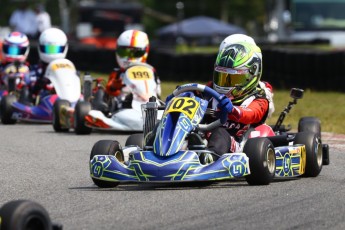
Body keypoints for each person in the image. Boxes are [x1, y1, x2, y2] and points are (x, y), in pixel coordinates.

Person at [205, 41, 270, 157]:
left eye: (234, 79)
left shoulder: (259, 98)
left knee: (220, 133)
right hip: (204, 135)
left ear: (251, 76)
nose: (225, 84)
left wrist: (233, 110)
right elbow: (193, 95)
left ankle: (210, 157)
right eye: (221, 77)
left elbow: (252, 113)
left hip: (237, 143)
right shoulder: (210, 90)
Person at [105, 29, 161, 109]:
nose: (128, 58)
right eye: (124, 52)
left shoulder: (152, 72)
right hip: (124, 107)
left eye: (135, 52)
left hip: (151, 106)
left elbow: (158, 94)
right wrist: (114, 87)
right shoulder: (117, 73)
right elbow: (109, 92)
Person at [30, 27, 68, 100]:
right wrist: (39, 84)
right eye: (49, 49)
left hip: (64, 102)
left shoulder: (68, 70)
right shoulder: (34, 71)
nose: (52, 53)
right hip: (42, 104)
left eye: (55, 49)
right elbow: (28, 93)